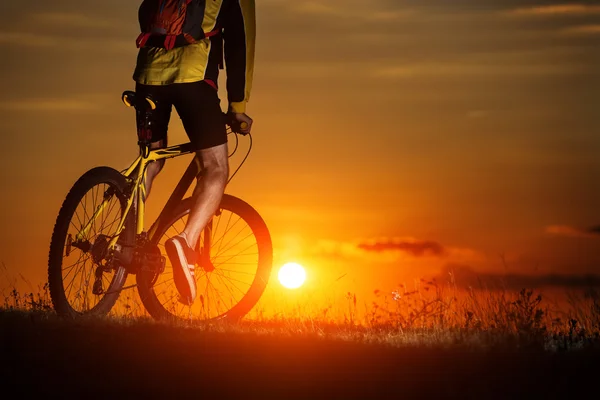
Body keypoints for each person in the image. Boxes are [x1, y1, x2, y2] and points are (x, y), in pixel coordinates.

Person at [132, 0, 256, 305]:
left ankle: (126, 242)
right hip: (194, 80)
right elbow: (240, 46)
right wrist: (237, 108)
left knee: (150, 161)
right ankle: (185, 242)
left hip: (147, 76)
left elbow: (145, 14)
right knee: (215, 167)